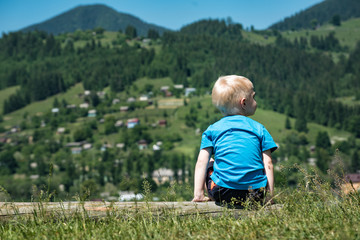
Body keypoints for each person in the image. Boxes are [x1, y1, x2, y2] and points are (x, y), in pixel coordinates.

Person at [192, 75, 277, 206]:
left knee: (210, 161)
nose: (255, 101)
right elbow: (269, 163)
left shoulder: (212, 130)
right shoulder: (260, 129)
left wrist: (198, 194)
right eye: (253, 97)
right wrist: (269, 197)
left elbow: (201, 162)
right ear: (243, 103)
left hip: (222, 192)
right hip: (255, 194)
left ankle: (203, 195)